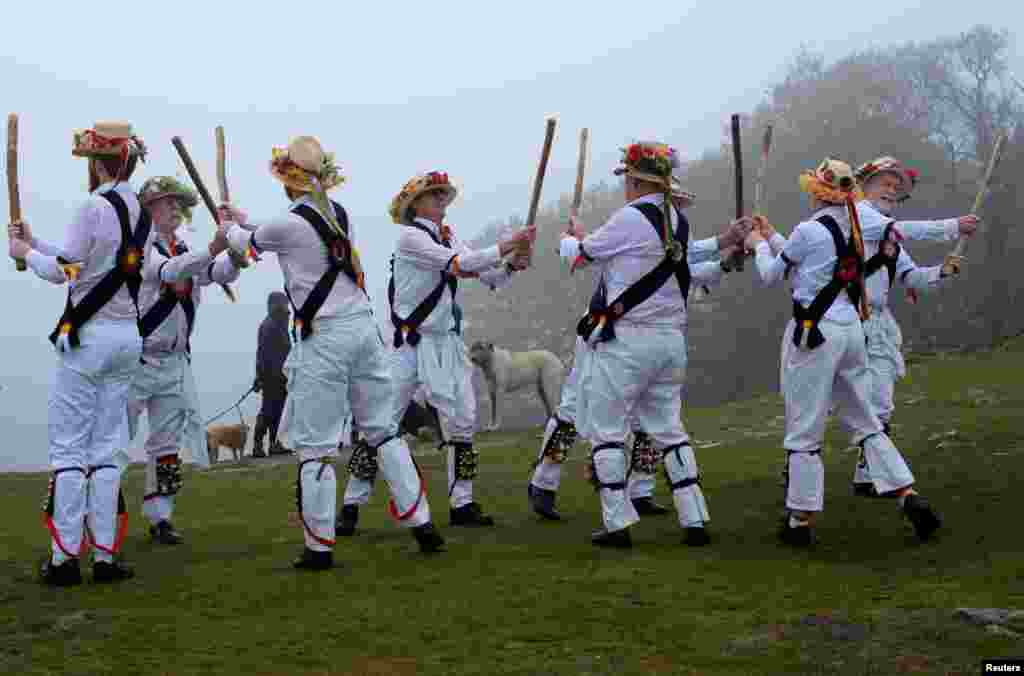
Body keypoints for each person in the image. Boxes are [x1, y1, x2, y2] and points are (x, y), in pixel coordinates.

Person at [220, 136, 445, 569]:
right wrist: (242, 224)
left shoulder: (287, 223)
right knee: (383, 430)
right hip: (363, 330)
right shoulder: (336, 214)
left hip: (324, 338)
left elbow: (247, 243)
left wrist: (227, 225)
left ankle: (319, 547)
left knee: (317, 445)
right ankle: (423, 524)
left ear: (289, 182)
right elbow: (268, 233)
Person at [559, 141, 751, 547]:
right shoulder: (678, 221)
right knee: (670, 430)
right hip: (671, 343)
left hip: (627, 341)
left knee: (608, 432)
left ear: (633, 180)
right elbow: (686, 258)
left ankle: (618, 525)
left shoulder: (628, 217)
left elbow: (581, 257)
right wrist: (725, 242)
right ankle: (694, 518)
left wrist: (569, 239)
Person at [749, 157, 944, 547]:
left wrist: (756, 247)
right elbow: (806, 259)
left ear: (817, 192)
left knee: (805, 426)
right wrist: (771, 236)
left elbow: (773, 275)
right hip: (852, 331)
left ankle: (800, 520)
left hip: (814, 335)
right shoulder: (858, 226)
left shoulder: (808, 229)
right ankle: (907, 495)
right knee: (865, 420)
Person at [337, 170, 534, 534]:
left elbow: (485, 275)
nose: (441, 200)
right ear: (416, 206)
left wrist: (510, 265)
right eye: (434, 195)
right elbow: (458, 265)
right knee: (382, 422)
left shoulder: (448, 236)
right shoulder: (411, 238)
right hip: (409, 345)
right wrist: (507, 245)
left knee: (462, 420)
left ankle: (462, 503)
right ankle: (351, 505)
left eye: (443, 194)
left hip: (445, 343)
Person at [9, 121, 148, 584]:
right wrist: (34, 243)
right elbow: (90, 262)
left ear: (97, 163)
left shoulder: (91, 207)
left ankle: (64, 559)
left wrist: (24, 254)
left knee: (70, 450)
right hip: (128, 335)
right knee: (108, 451)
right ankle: (105, 556)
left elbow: (66, 271)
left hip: (88, 337)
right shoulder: (141, 212)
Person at [128, 176, 240, 544]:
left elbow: (217, 272)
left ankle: (161, 518)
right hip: (136, 361)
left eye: (177, 202)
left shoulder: (184, 247)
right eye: (165, 202)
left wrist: (235, 254)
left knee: (165, 445)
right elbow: (170, 272)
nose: (174, 207)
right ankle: (98, 515)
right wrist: (214, 246)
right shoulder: (139, 248)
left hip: (175, 360)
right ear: (147, 210)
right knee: (114, 442)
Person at [253, 291, 292, 457]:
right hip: (271, 377)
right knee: (268, 411)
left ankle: (274, 444)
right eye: (284, 303)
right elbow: (262, 354)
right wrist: (260, 377)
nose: (287, 306)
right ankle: (258, 445)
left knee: (279, 410)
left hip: (282, 376)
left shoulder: (280, 323)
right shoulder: (269, 325)